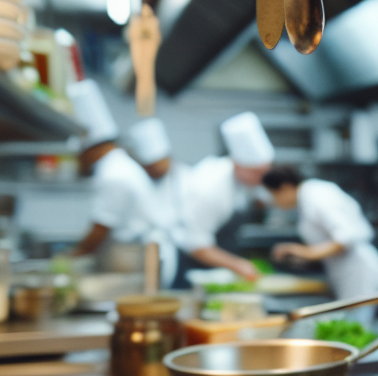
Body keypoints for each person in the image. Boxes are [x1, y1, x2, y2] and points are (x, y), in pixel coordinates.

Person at [66, 80, 168, 282]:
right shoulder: (119, 165)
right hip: (136, 256)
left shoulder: (113, 174)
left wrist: (69, 259)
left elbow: (99, 230)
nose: (79, 162)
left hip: (135, 258)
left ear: (89, 149)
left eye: (78, 155)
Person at [266, 167, 378, 322]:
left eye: (273, 195)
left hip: (359, 274)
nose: (274, 201)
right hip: (347, 273)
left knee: (356, 325)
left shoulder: (317, 196)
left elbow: (345, 237)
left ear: (285, 187)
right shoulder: (308, 197)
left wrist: (303, 252)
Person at [174, 111, 274, 281]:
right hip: (193, 266)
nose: (263, 180)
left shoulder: (249, 180)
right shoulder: (210, 188)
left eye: (266, 172)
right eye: (257, 173)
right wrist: (239, 265)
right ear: (237, 164)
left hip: (220, 260)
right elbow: (196, 245)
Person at [119, 116, 179, 288]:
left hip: (175, 253)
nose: (158, 169)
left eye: (161, 163)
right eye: (152, 166)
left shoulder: (185, 178)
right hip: (139, 254)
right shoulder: (134, 180)